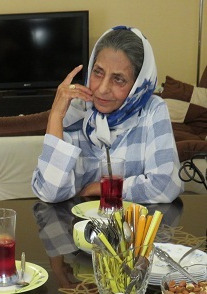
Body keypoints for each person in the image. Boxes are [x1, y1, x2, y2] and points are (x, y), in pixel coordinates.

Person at [31, 26, 183, 204]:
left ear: (137, 84)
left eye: (118, 79)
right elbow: (50, 192)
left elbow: (165, 185)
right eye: (98, 72)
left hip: (133, 221)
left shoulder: (152, 109)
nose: (102, 89)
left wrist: (102, 188)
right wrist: (56, 116)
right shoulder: (75, 110)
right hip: (77, 221)